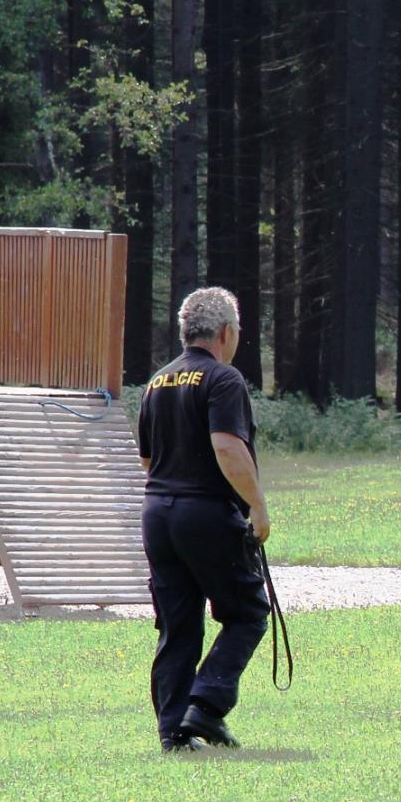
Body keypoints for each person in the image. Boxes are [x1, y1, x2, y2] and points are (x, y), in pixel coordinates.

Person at [137, 287, 271, 752]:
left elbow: (148, 460)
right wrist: (256, 505)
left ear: (185, 331)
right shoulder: (223, 379)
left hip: (158, 513)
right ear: (227, 332)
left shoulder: (157, 382)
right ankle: (207, 707)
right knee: (248, 611)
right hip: (206, 512)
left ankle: (173, 732)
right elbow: (227, 446)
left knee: (178, 624)